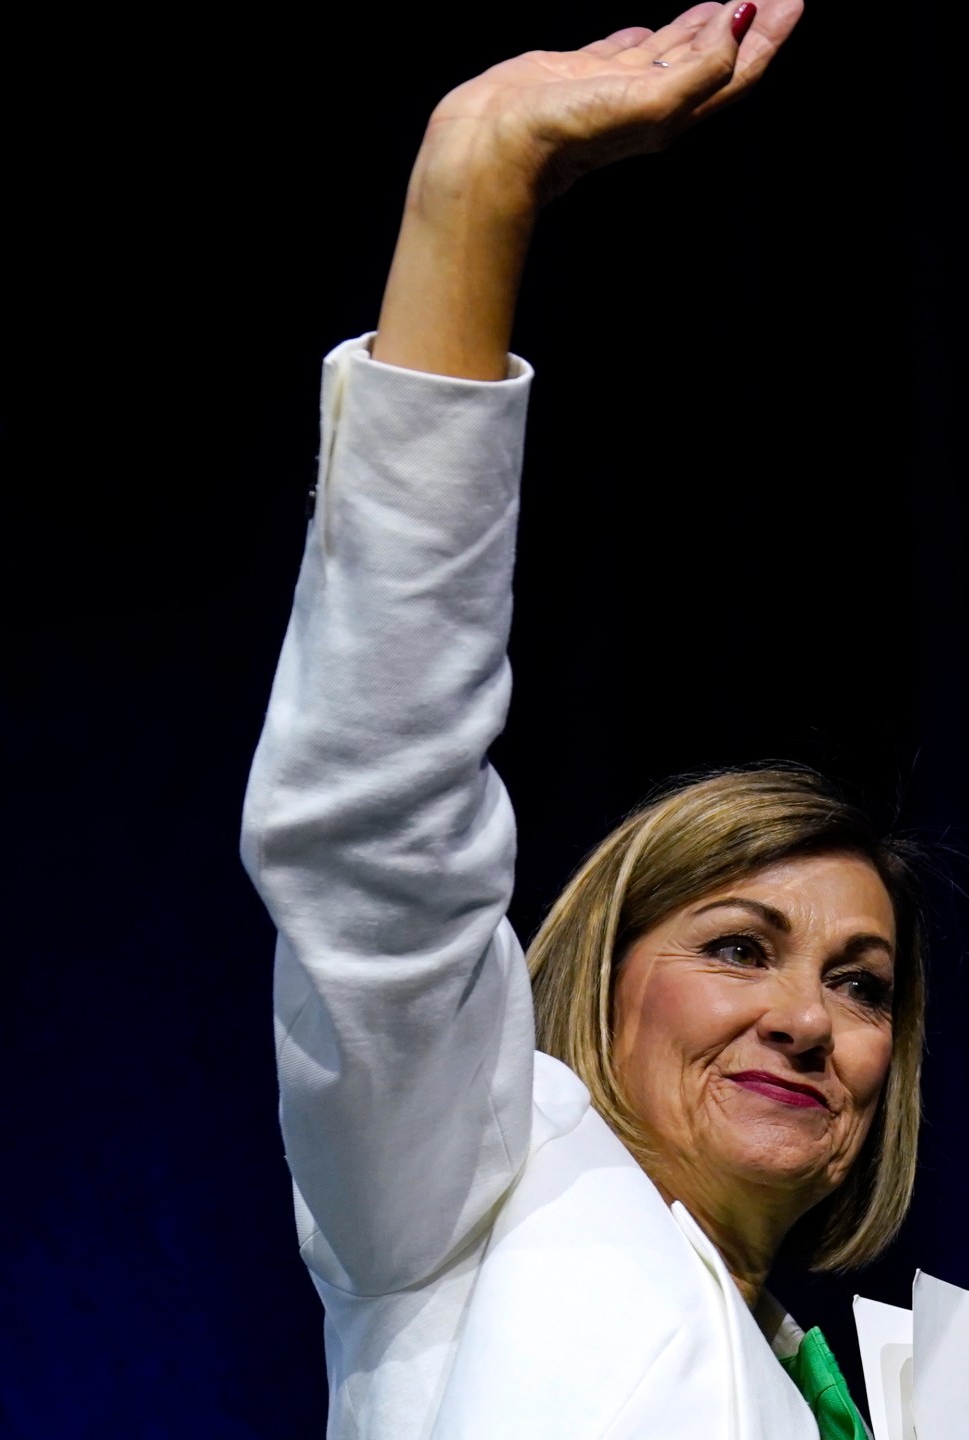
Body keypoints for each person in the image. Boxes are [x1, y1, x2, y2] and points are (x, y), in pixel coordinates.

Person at [237, 5, 914, 1436]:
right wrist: (474, 185)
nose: (807, 1020)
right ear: (602, 978)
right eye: (741, 948)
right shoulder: (479, 1184)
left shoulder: (839, 1393)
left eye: (865, 985)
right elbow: (379, 831)